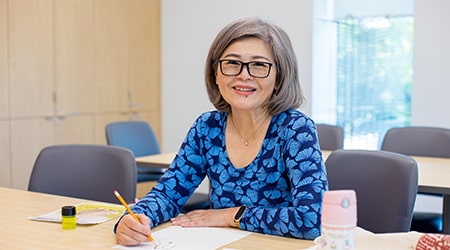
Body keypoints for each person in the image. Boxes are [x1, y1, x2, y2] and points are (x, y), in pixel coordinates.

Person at [115, 17, 328, 246]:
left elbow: (314, 219)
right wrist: (132, 220)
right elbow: (167, 194)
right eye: (232, 63)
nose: (244, 75)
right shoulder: (207, 128)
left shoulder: (296, 129)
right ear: (216, 74)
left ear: (279, 77)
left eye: (259, 65)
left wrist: (230, 215)